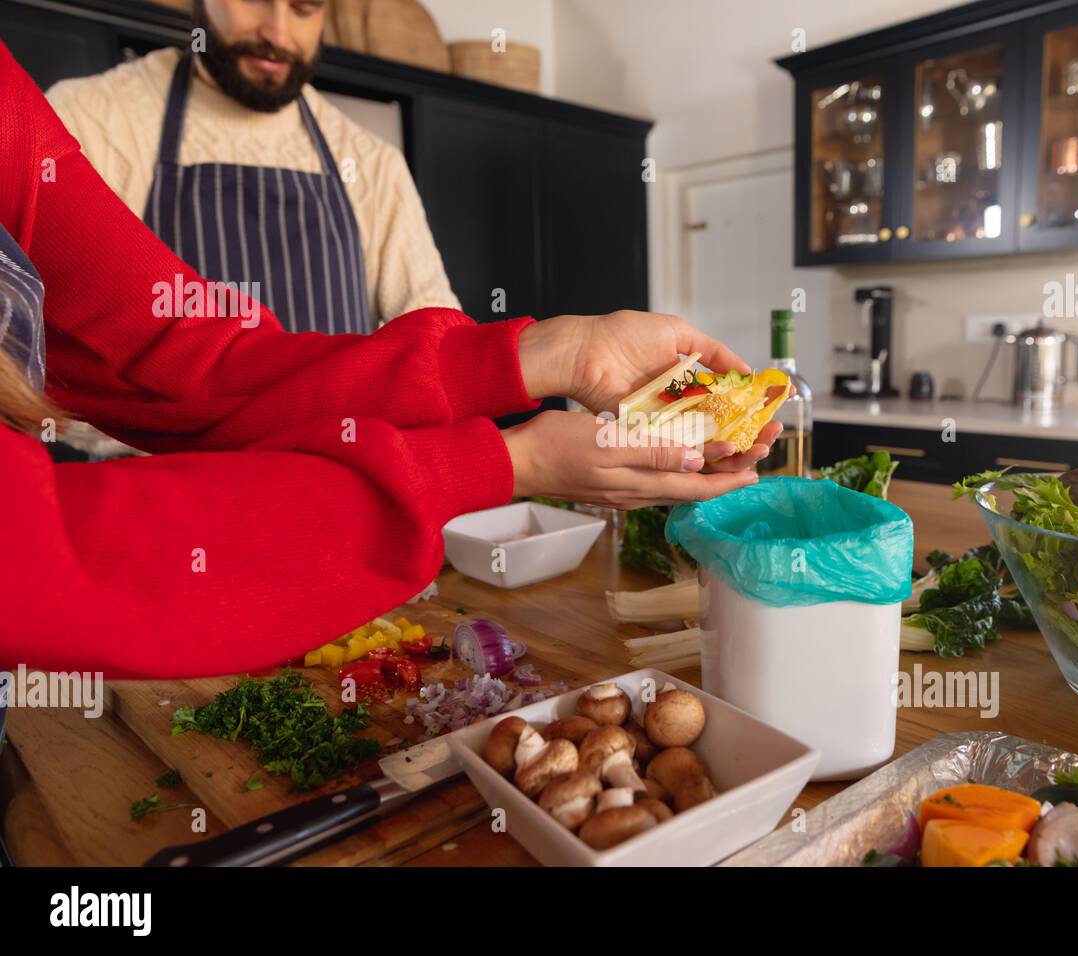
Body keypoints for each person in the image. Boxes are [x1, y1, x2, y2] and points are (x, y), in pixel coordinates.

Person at [0, 38, 776, 683]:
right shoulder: (105, 108)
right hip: (198, 575)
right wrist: (500, 466)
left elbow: (196, 362)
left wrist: (549, 352)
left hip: (296, 532)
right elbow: (52, 557)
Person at [45, 0, 457, 334]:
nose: (276, 33)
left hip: (335, 438)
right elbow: (42, 345)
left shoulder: (372, 162)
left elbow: (437, 342)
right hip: (156, 440)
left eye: (303, 8)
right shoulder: (88, 119)